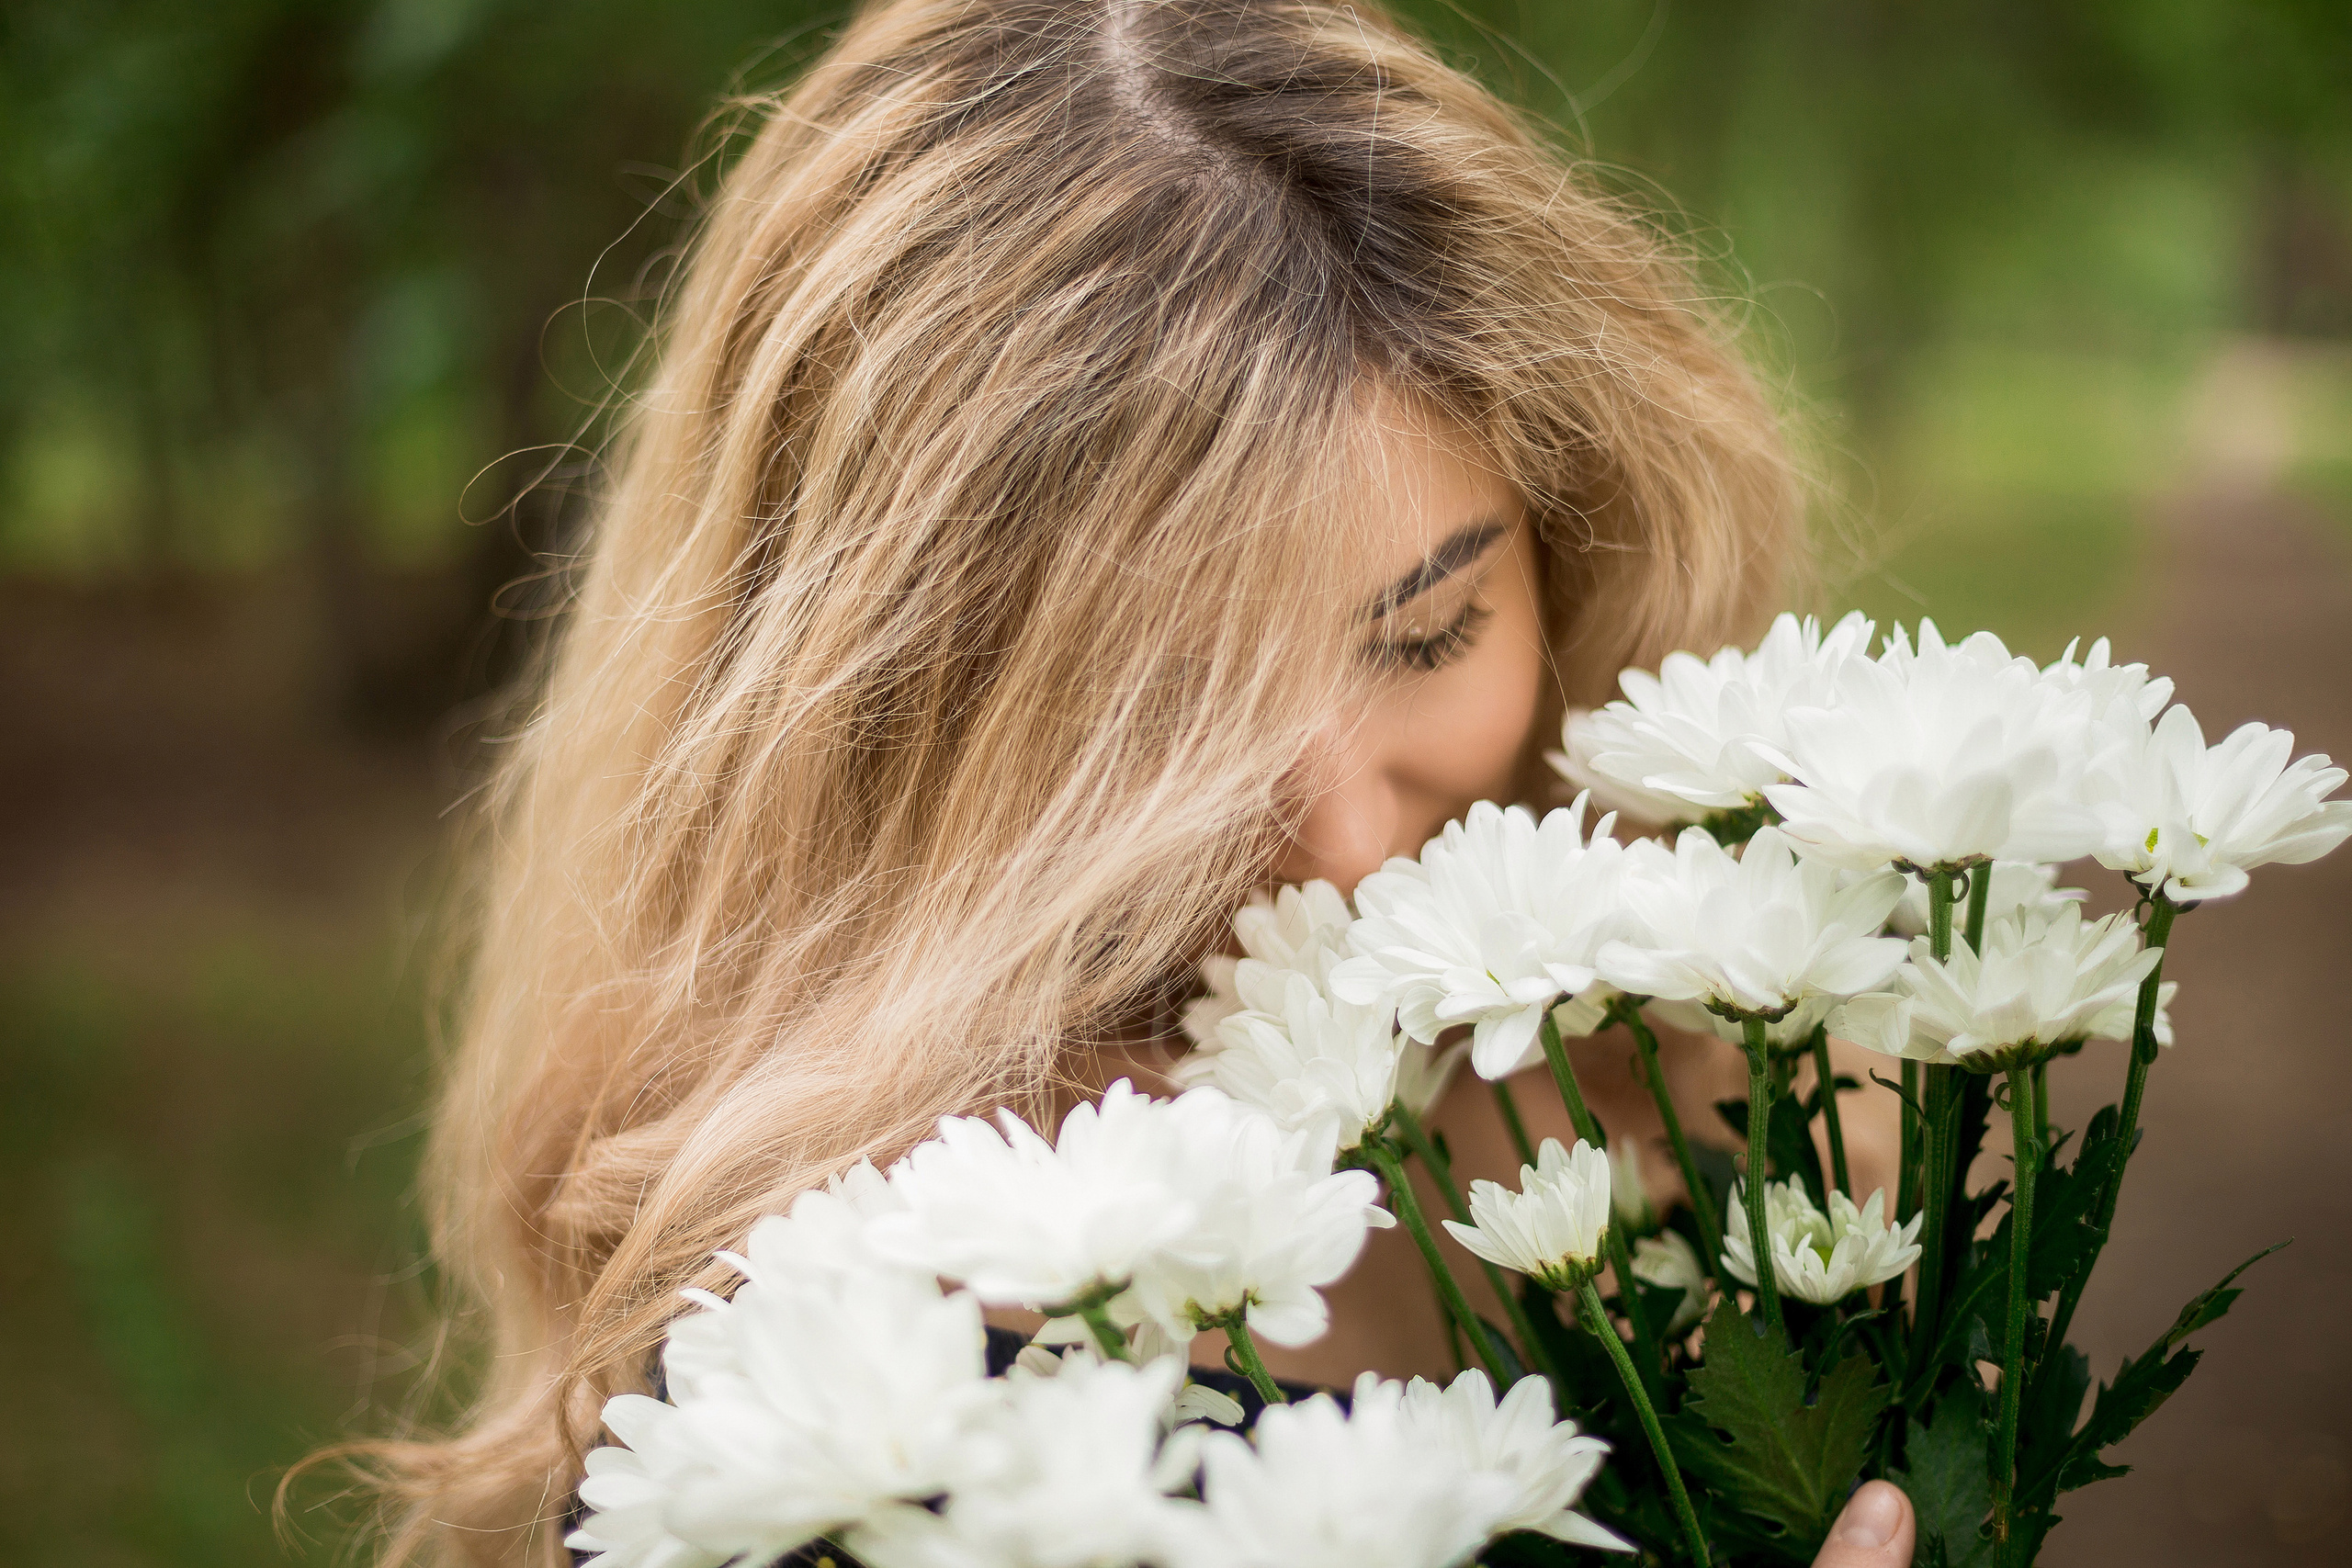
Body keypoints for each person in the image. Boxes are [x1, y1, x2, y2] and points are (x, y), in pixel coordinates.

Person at [331, 2, 1908, 1562]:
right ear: (895, 720)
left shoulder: (1689, 1057)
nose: (1347, 843)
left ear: (1575, 541)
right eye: (1168, 732)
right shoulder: (830, 1388)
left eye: (1427, 634)